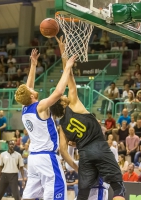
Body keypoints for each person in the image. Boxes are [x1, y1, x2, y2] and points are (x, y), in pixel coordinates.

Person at [51, 36, 125, 200]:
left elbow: (63, 151)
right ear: (63, 103)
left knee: (82, 194)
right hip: (99, 147)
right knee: (118, 187)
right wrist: (63, 53)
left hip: (84, 155)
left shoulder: (61, 126)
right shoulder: (74, 104)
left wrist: (75, 167)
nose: (64, 96)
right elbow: (69, 77)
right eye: (62, 97)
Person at [14, 48, 76, 200]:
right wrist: (67, 67)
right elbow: (59, 92)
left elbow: (28, 86)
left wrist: (33, 65)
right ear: (31, 95)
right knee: (55, 192)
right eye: (30, 90)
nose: (32, 88)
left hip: (33, 159)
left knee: (29, 196)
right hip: (46, 157)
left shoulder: (25, 109)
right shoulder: (40, 106)